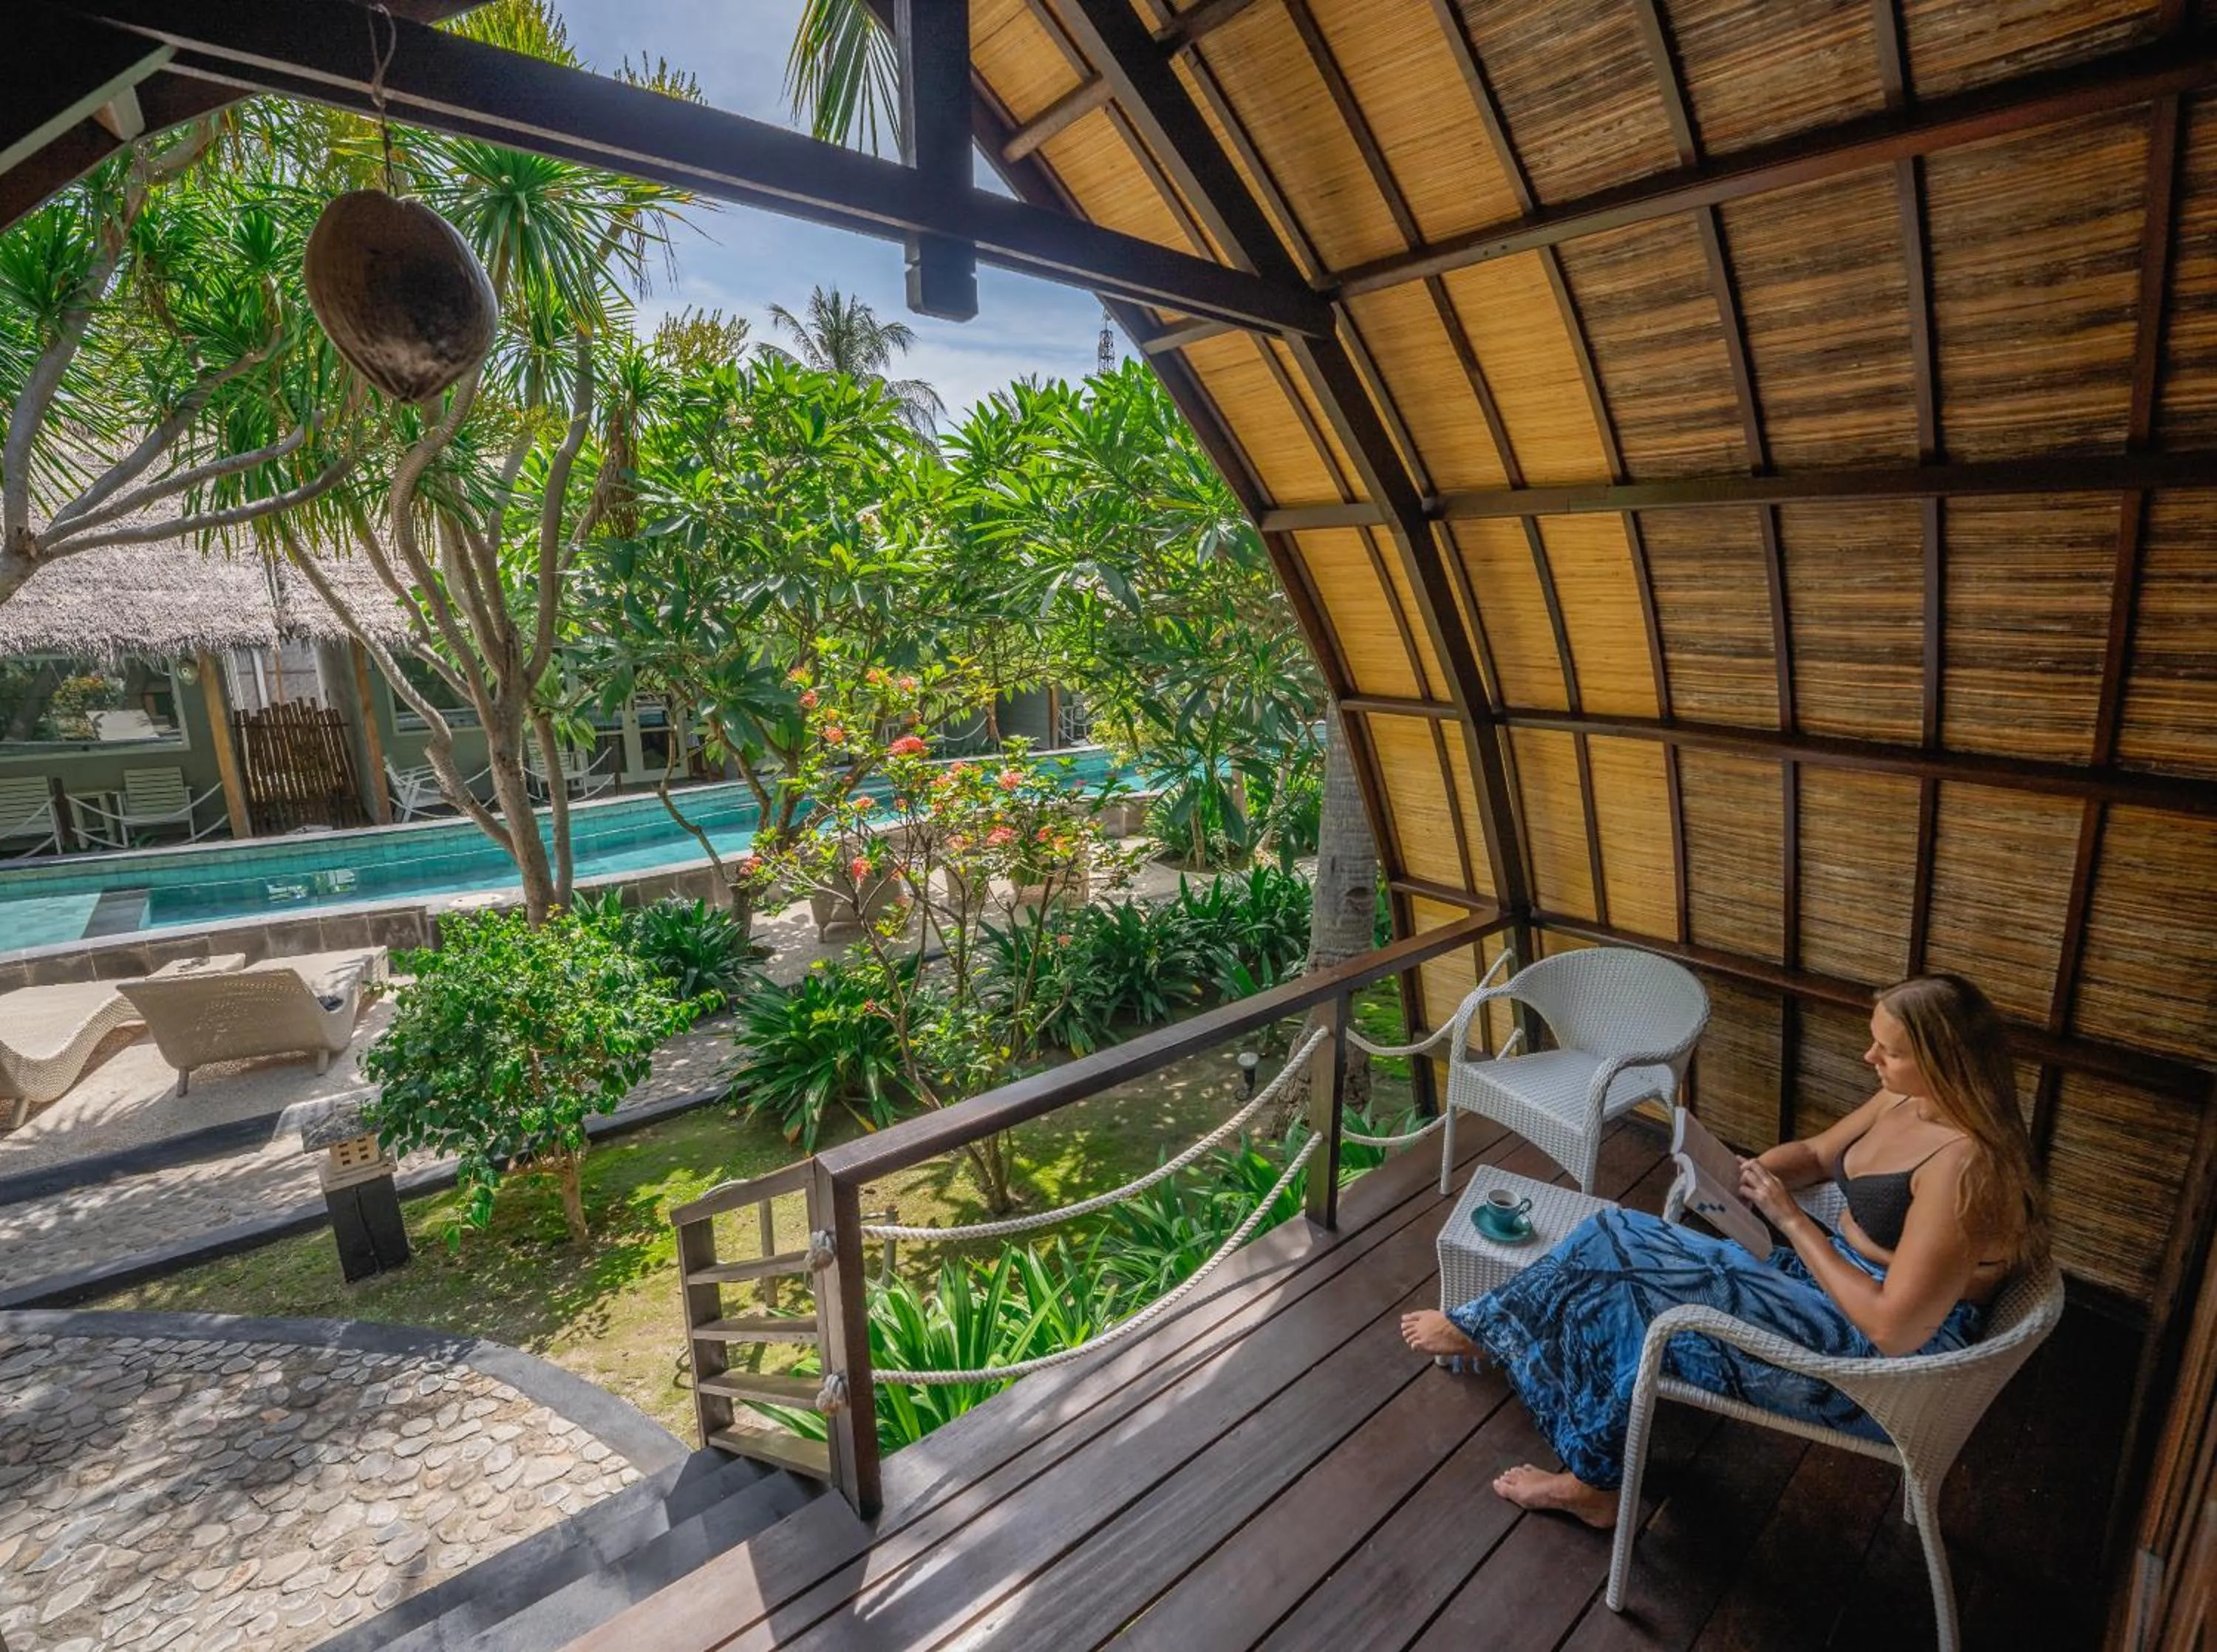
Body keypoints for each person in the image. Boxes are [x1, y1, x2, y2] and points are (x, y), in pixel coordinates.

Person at [1399, 973, 2049, 1529]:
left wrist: (1791, 1221)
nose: (1869, 1058)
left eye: (1890, 1051)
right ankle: (1501, 1338)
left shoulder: (1967, 1171)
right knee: (1613, 1240)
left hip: (1873, 1370)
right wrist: (1739, 1175)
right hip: (1827, 1287)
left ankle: (1585, 1474)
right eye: (1875, 1041)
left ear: (1944, 1061)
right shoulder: (1908, 1097)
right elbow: (1821, 1155)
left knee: (1638, 1279)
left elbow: (1893, 1328)